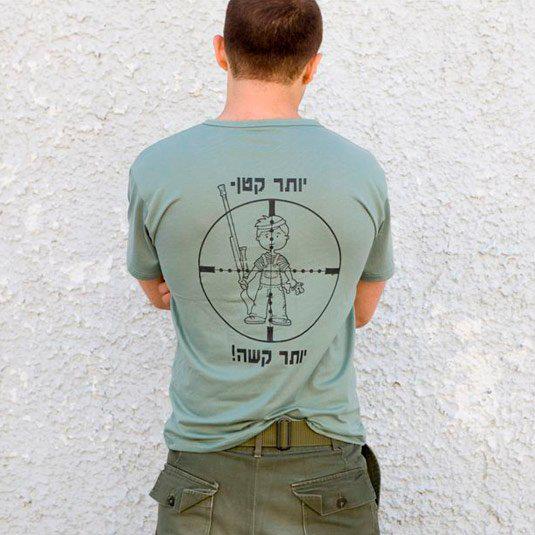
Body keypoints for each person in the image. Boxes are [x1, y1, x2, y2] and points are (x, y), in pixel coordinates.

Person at [126, 1, 394, 533]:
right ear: (312, 65)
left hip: (202, 467)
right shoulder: (361, 171)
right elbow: (359, 310)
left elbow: (159, 291)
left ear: (221, 52)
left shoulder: (156, 167)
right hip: (324, 470)